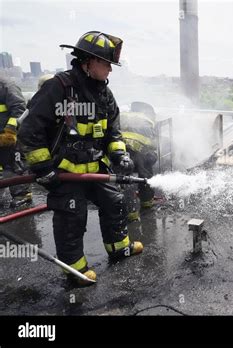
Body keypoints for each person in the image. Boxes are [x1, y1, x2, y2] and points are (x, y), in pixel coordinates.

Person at [18, 31, 143, 286]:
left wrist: (119, 154)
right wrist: (43, 169)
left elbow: (112, 132)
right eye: (106, 63)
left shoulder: (104, 95)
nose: (110, 69)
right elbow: (29, 130)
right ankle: (75, 271)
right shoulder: (60, 88)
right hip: (63, 172)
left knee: (114, 201)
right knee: (72, 216)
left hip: (95, 168)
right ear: (88, 62)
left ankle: (119, 248)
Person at [119, 109, 158, 222]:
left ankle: (131, 212)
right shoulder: (149, 121)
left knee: (126, 180)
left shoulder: (125, 114)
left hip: (121, 149)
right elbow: (152, 146)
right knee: (145, 174)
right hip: (140, 150)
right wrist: (149, 160)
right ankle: (146, 203)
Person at [0, 76, 32, 207]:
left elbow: (19, 109)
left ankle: (22, 194)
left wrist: (10, 132)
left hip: (9, 137)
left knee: (15, 165)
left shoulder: (7, 85)